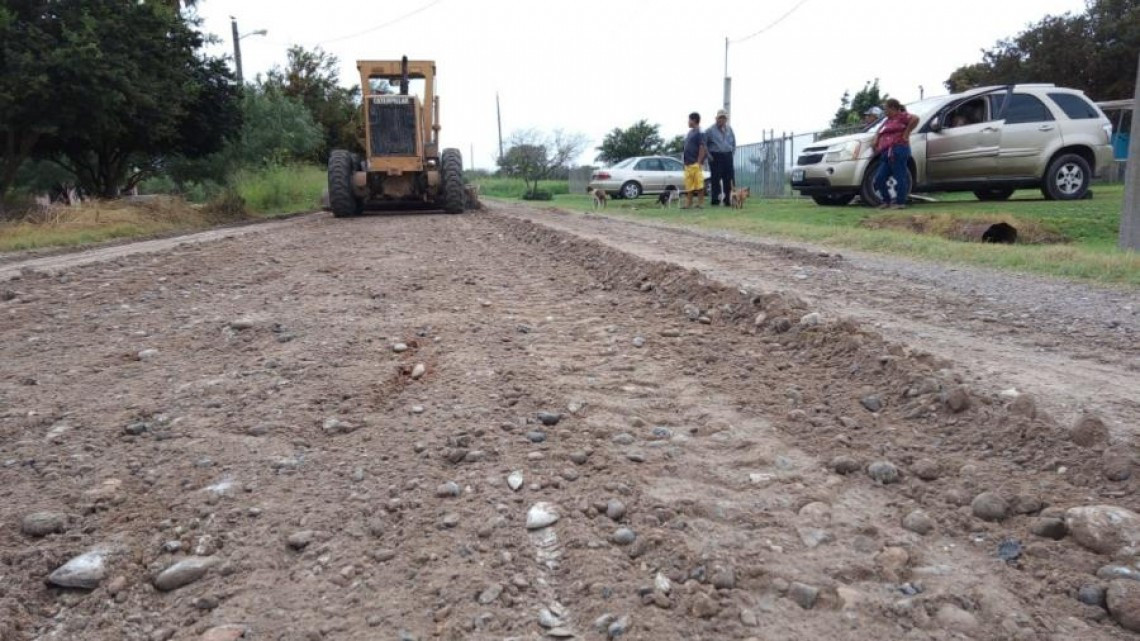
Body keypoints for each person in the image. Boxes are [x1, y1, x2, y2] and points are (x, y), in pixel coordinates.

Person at [870, 98, 919, 209]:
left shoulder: (901, 116)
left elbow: (916, 119)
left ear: (892, 108)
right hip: (886, 153)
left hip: (898, 149)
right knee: (879, 178)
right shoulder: (887, 121)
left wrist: (906, 133)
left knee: (900, 176)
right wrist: (876, 140)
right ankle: (886, 201)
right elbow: (879, 131)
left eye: (886, 108)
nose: (884, 111)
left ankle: (900, 202)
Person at [705, 109, 736, 206]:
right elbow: (704, 144)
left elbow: (734, 142)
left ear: (726, 119)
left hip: (728, 155)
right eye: (720, 118)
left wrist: (732, 152)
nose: (722, 120)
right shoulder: (710, 130)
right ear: (716, 118)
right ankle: (715, 200)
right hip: (716, 156)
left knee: (729, 179)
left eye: (724, 118)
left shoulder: (730, 129)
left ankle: (729, 200)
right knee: (715, 179)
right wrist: (709, 156)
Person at [682, 112, 707, 210]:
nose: (688, 122)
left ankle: (700, 203)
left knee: (699, 184)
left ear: (694, 120)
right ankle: (689, 203)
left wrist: (699, 162)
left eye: (689, 120)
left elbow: (702, 147)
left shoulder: (700, 132)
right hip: (688, 164)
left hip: (695, 163)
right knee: (689, 185)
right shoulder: (690, 132)